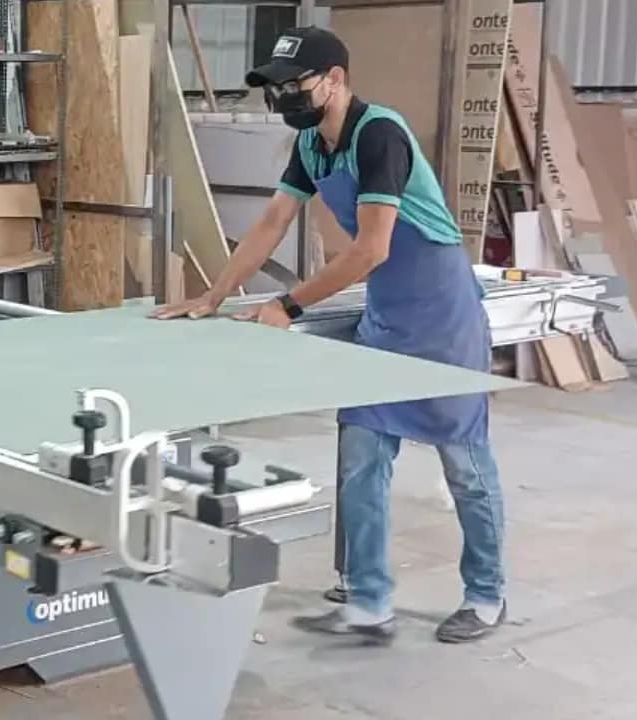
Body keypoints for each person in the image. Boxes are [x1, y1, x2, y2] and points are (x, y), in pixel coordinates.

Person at [150, 26, 505, 645]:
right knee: (362, 459)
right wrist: (215, 294)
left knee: (464, 463)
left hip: (442, 315)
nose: (284, 97)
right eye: (277, 87)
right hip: (387, 314)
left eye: (295, 84)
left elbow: (371, 249)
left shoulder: (380, 135)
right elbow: (273, 220)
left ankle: (486, 593)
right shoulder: (312, 144)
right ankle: (368, 602)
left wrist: (288, 304)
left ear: (335, 80)